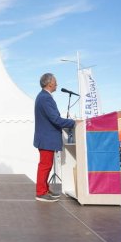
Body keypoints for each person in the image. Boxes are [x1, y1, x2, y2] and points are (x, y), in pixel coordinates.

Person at [33, 73, 75, 202]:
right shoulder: (45, 98)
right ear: (49, 83)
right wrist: (73, 123)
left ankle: (44, 189)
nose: (57, 84)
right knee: (45, 165)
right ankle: (40, 192)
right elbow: (55, 119)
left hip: (46, 138)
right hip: (47, 138)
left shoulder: (44, 97)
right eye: (55, 82)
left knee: (46, 165)